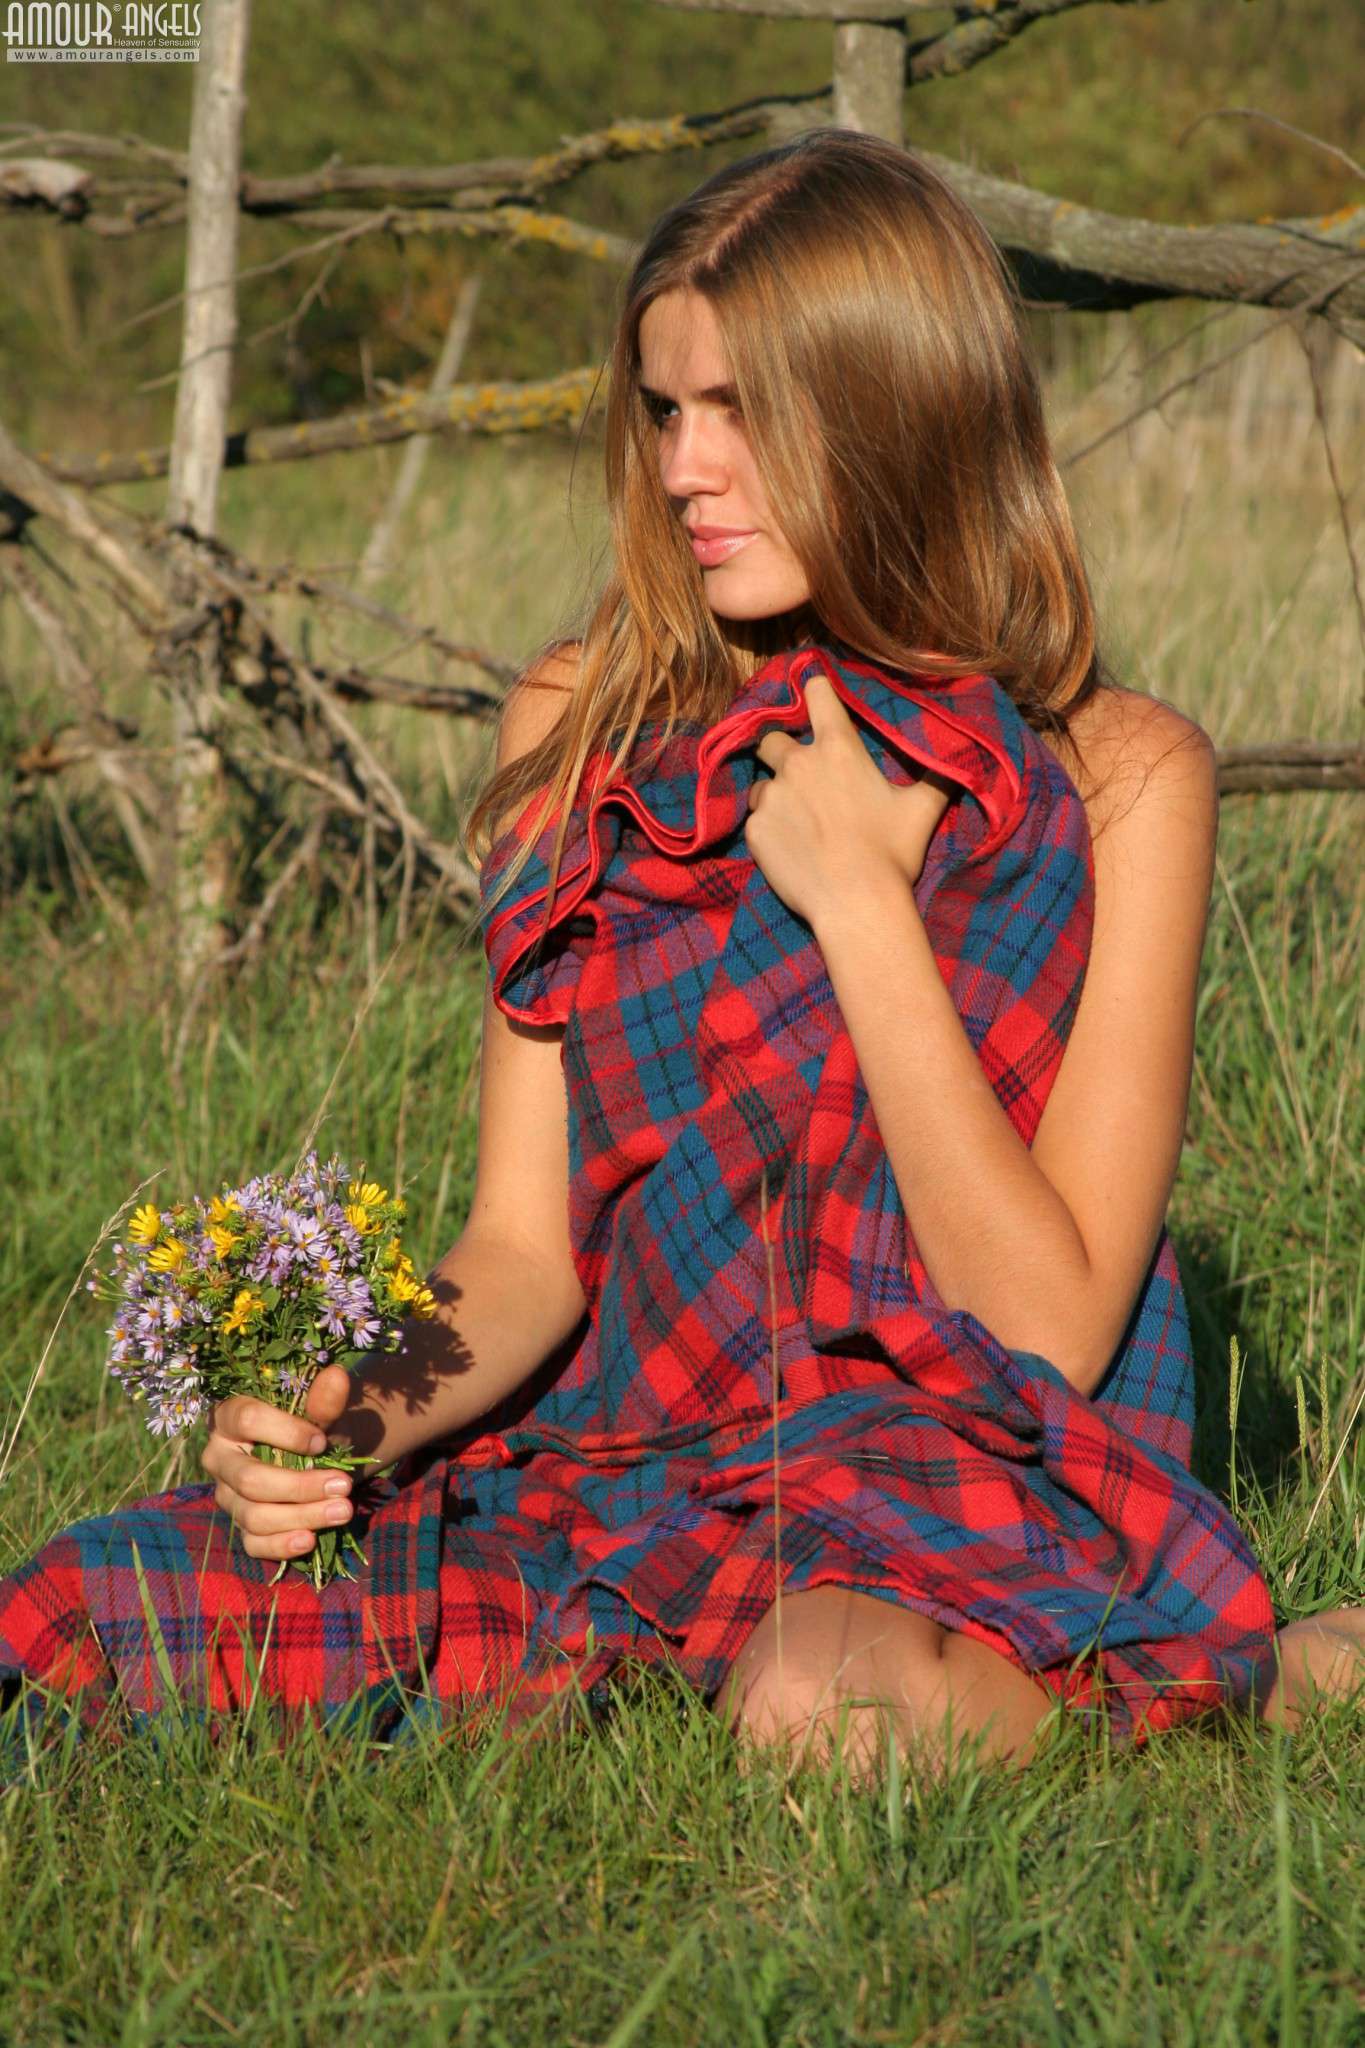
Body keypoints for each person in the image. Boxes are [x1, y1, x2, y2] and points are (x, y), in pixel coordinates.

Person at [3, 130, 1361, 1770]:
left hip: (950, 1455)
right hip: (628, 1449)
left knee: (816, 1711)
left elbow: (1049, 1331)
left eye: (740, 411)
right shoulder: (578, 721)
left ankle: (1262, 1680)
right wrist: (338, 1418)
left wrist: (860, 906)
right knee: (95, 1613)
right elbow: (521, 1253)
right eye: (662, 410)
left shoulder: (1116, 773)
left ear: (900, 410)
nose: (680, 469)